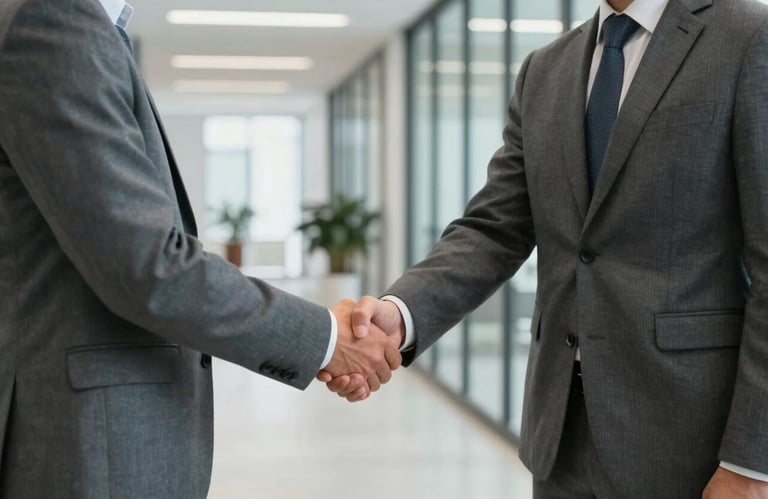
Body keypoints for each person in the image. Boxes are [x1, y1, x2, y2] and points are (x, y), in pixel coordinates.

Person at [321, 0, 768, 497]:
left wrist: (752, 464)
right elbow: (494, 227)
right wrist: (398, 314)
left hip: (691, 443)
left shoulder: (749, 36)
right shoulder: (545, 68)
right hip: (559, 438)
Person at [0, 0, 400, 497]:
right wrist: (325, 338)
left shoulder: (80, 25)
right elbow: (148, 264)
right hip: (90, 439)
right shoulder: (54, 17)